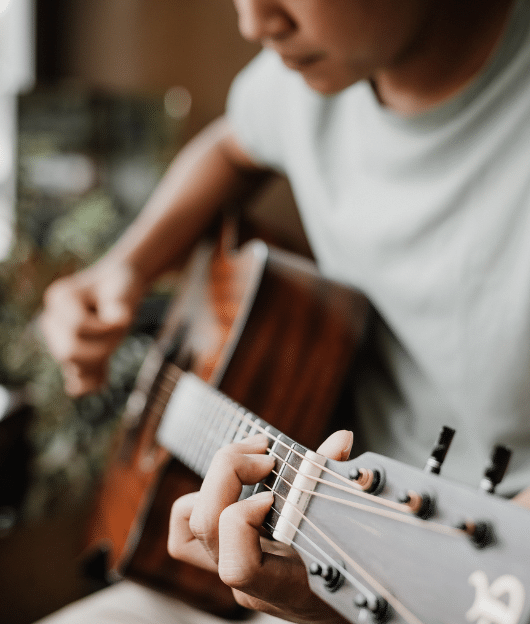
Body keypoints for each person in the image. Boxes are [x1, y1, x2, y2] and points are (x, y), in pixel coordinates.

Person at [38, 0, 530, 622]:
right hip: (320, 523)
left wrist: (326, 607)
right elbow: (232, 144)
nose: (254, 22)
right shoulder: (317, 74)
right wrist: (126, 267)